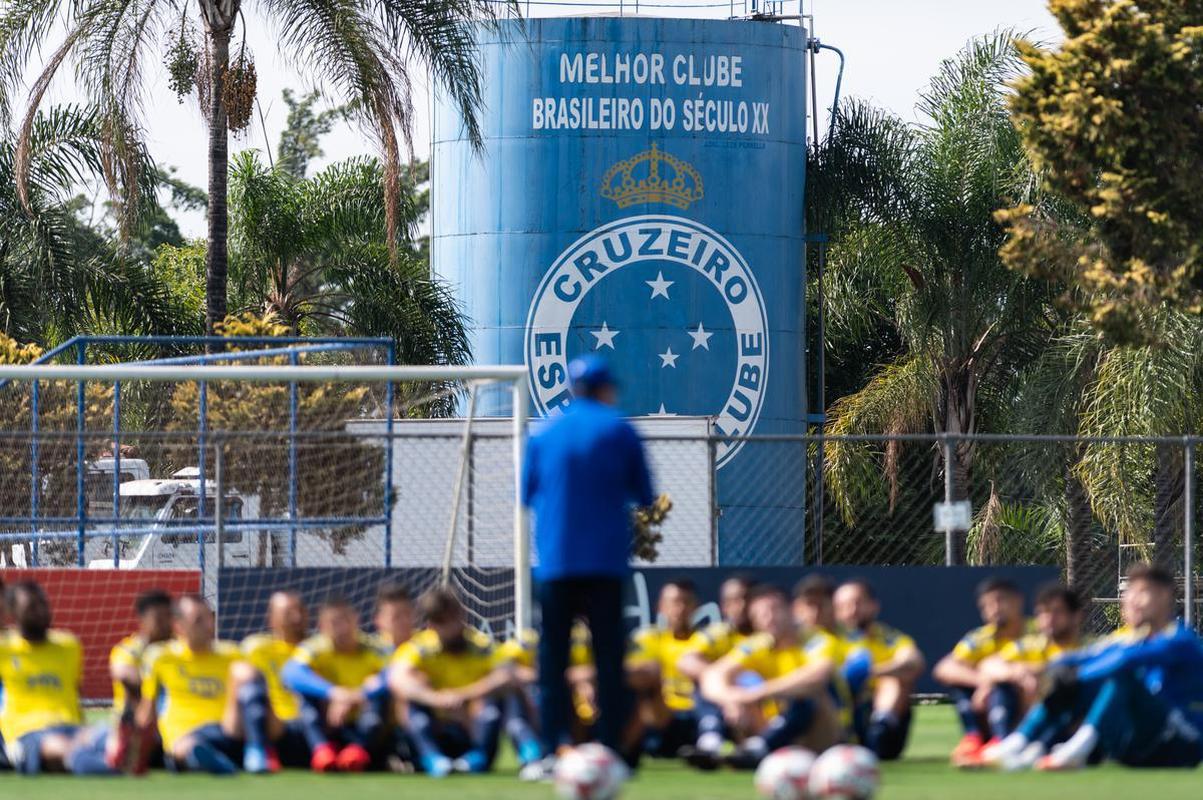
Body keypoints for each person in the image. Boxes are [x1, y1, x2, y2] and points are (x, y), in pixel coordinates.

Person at [522, 355, 655, 770]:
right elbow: (645, 494)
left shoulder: (543, 433)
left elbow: (526, 494)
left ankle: (550, 751)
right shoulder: (620, 429)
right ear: (604, 388)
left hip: (557, 564)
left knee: (553, 662)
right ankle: (611, 750)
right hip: (605, 564)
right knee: (609, 661)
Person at [992, 565, 1203, 771]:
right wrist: (1052, 669)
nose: (1133, 600)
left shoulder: (1179, 639)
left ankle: (1072, 752)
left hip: (1182, 742)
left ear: (1164, 596)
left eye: (1142, 592)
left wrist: (1075, 676)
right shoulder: (1134, 639)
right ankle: (1020, 744)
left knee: (1118, 679)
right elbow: (1087, 656)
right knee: (1072, 684)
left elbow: (1122, 661)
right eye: (1130, 593)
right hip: (1140, 745)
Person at [699, 585, 840, 769]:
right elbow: (713, 676)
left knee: (808, 693)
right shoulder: (758, 644)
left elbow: (817, 676)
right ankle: (711, 743)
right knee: (715, 688)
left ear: (790, 611)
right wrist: (731, 700)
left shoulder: (816, 640)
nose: (769, 618)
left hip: (824, 731)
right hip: (771, 722)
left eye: (774, 610)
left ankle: (759, 747)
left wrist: (760, 692)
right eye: (760, 615)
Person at [388, 588, 515, 777]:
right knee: (412, 702)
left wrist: (465, 696)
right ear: (432, 624)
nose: (453, 627)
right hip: (436, 725)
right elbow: (397, 679)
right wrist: (436, 698)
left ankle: (477, 757)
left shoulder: (480, 646)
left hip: (470, 724)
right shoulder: (421, 648)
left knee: (496, 700)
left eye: (455, 618)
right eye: (444, 622)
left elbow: (507, 675)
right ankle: (433, 758)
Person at [0, 581, 113, 775]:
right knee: (59, 747)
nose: (40, 612)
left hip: (71, 727)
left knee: (108, 736)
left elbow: (75, 691)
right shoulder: (5, 649)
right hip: (27, 733)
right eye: (32, 608)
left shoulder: (69, 645)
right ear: (14, 612)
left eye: (43, 604)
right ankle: (91, 762)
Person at [970, 583, 1085, 768]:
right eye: (1043, 613)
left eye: (1057, 612)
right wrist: (1017, 673)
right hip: (1027, 713)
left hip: (1072, 722)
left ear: (1076, 616)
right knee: (1001, 687)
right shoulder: (1029, 645)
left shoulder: (1088, 647)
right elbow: (988, 665)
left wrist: (1036, 671)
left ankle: (1034, 747)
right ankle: (1006, 743)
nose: (1049, 619)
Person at [137, 595, 246, 774]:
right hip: (181, 737)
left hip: (225, 732)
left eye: (209, 618)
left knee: (191, 750)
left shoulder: (233, 655)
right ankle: (207, 759)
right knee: (185, 750)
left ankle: (210, 759)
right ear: (178, 626)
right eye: (198, 621)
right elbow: (148, 709)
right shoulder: (160, 657)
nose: (208, 626)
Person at [280, 596, 389, 772]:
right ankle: (322, 751)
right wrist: (333, 692)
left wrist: (359, 694)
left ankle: (358, 751)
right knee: (305, 697)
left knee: (380, 695)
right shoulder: (314, 648)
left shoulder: (374, 647)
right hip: (327, 722)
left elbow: (394, 675)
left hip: (362, 722)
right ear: (322, 627)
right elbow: (290, 673)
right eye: (334, 623)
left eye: (346, 620)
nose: (342, 628)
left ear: (356, 620)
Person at [932, 577, 1028, 765]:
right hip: (988, 706)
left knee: (1003, 687)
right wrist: (985, 682)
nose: (994, 608)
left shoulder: (1035, 632)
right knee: (963, 686)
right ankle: (974, 739)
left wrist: (995, 681)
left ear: (1018, 601)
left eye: (1000, 600)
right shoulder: (980, 638)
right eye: (986, 605)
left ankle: (1003, 741)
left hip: (1027, 706)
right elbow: (944, 668)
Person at [834, 579, 925, 760]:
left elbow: (914, 661)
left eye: (857, 603)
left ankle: (879, 729)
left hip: (878, 715)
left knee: (895, 679)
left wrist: (871, 672)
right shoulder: (829, 639)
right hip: (841, 712)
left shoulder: (888, 638)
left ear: (873, 606)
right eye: (843, 605)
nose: (851, 611)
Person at [678, 575, 754, 768]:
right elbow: (687, 661)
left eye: (747, 598)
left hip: (759, 706)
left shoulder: (769, 635)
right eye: (734, 600)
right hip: (724, 709)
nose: (742, 605)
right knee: (704, 679)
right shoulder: (718, 633)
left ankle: (756, 746)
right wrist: (726, 693)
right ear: (724, 606)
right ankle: (710, 741)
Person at [235, 590, 312, 772]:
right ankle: (258, 751)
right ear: (272, 619)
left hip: (313, 722)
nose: (296, 617)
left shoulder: (317, 648)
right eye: (288, 613)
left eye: (300, 611)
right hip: (273, 724)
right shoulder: (255, 648)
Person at [625, 580, 702, 761]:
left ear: (696, 607)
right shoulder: (647, 638)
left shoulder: (705, 640)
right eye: (674, 602)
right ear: (661, 606)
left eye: (686, 602)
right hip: (659, 715)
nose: (680, 609)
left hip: (697, 713)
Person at [106, 588, 173, 771]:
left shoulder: (178, 649)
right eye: (159, 619)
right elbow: (124, 674)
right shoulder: (128, 650)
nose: (165, 624)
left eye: (169, 617)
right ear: (142, 620)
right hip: (135, 721)